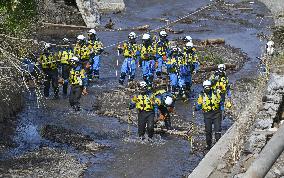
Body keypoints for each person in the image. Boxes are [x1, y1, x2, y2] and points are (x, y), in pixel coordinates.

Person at [196, 80, 223, 150]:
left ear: (211, 87)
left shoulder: (216, 92)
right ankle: (209, 146)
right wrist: (196, 108)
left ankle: (218, 145)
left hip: (216, 114)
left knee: (217, 131)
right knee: (208, 131)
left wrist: (222, 109)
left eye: (208, 87)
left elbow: (221, 102)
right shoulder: (201, 95)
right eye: (206, 88)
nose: (207, 89)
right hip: (207, 115)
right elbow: (199, 104)